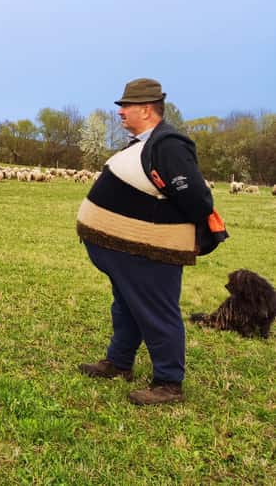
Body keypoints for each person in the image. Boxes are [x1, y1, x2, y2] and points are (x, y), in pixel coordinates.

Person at [76, 78, 226, 405]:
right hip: (130, 250)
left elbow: (197, 200)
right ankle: (119, 363)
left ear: (145, 109)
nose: (120, 112)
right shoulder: (145, 142)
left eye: (125, 106)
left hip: (153, 250)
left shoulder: (168, 144)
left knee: (158, 311)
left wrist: (159, 225)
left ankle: (169, 383)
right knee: (128, 305)